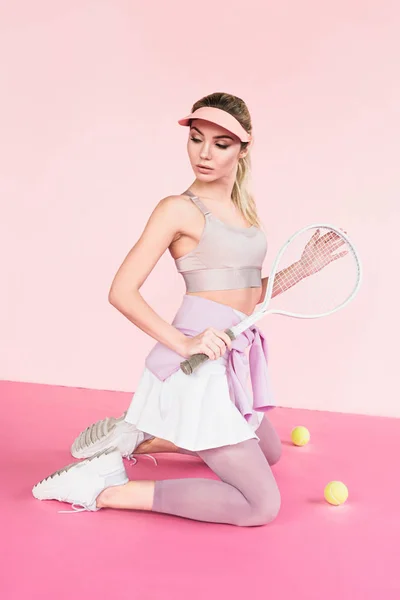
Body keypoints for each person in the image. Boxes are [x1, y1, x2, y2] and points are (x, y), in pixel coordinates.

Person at [32, 92, 325, 526]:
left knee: (271, 450)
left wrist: (302, 268)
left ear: (244, 148)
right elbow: (122, 291)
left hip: (231, 359)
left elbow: (245, 297)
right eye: (196, 138)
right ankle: (102, 487)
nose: (204, 153)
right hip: (197, 369)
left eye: (221, 143)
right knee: (261, 505)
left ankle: (139, 438)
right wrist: (185, 344)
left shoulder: (244, 212)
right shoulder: (178, 210)